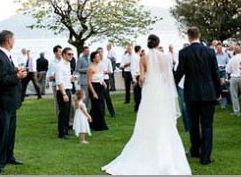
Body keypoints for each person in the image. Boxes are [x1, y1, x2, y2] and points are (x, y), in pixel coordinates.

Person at [102, 34, 192, 175]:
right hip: (161, 90)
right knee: (163, 119)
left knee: (148, 118)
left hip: (150, 91)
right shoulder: (163, 57)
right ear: (158, 43)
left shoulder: (144, 58)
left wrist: (140, 81)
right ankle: (165, 152)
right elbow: (168, 76)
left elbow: (142, 78)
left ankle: (146, 149)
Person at [174, 26, 221, 166]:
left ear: (188, 36)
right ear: (199, 35)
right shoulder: (210, 51)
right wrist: (218, 92)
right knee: (207, 125)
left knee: (193, 124)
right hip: (208, 93)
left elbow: (179, 72)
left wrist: (171, 85)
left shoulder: (183, 52)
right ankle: (204, 157)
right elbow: (215, 74)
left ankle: (195, 150)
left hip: (192, 93)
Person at [0, 30, 27, 174]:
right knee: (3, 132)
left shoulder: (6, 56)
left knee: (10, 132)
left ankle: (9, 156)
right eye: (14, 39)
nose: (15, 42)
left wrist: (16, 72)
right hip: (2, 102)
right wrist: (17, 76)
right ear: (9, 41)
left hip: (11, 101)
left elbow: (6, 75)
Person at [55, 47, 74, 140]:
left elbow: (66, 78)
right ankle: (61, 133)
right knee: (63, 113)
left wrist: (72, 78)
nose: (71, 56)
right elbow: (59, 81)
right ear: (63, 55)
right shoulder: (59, 65)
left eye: (72, 54)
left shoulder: (68, 64)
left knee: (67, 112)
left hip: (68, 89)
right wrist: (63, 94)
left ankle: (66, 130)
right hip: (63, 91)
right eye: (69, 54)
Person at [87, 51, 108, 131]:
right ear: (93, 59)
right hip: (94, 87)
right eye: (97, 57)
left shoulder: (100, 66)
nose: (99, 58)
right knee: (98, 106)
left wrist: (103, 82)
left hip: (100, 87)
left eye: (99, 56)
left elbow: (100, 76)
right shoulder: (90, 68)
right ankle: (99, 126)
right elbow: (89, 82)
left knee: (100, 106)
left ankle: (90, 122)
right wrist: (94, 93)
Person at [225, 45, 241, 117]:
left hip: (234, 77)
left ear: (234, 51)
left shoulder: (232, 59)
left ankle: (236, 111)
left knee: (234, 95)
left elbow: (227, 70)